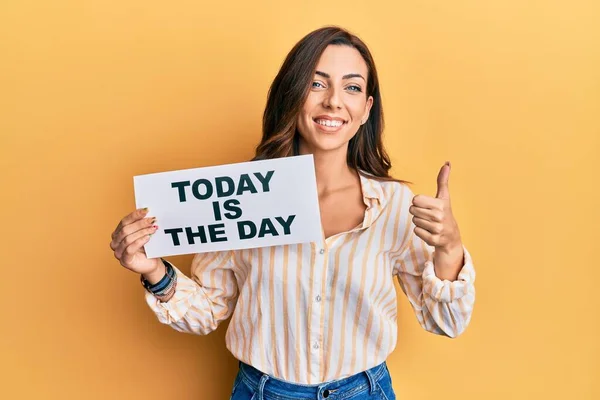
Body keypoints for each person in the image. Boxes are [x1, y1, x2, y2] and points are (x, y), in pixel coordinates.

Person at [110, 26, 476, 400]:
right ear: (293, 94)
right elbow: (207, 311)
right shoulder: (241, 197)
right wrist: (153, 271)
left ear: (366, 109)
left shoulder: (395, 205)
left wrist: (449, 247)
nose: (334, 101)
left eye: (351, 87)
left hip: (365, 392)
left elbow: (446, 321)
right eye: (317, 84)